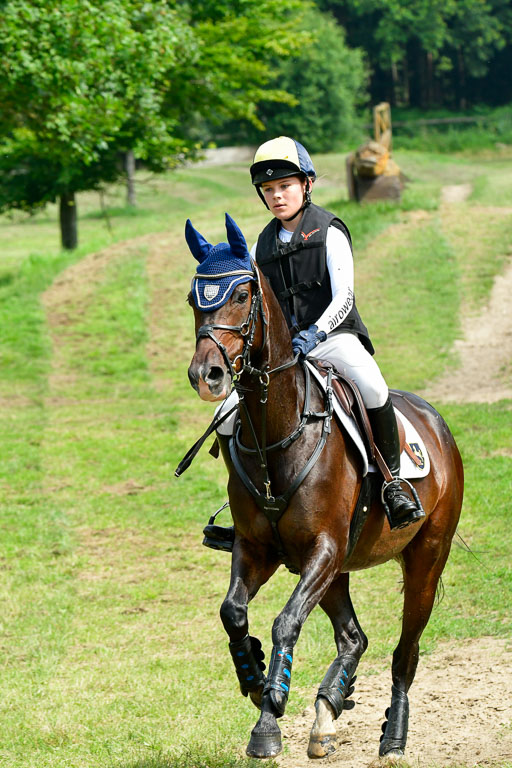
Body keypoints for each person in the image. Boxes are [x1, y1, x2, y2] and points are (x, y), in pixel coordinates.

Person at [204, 136, 424, 550]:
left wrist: (315, 334)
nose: (276, 196)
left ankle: (393, 486)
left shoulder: (330, 231)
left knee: (374, 387)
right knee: (228, 415)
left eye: (284, 186)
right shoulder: (260, 246)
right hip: (283, 357)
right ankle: (244, 510)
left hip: (332, 339)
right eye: (268, 190)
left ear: (306, 185)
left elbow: (344, 297)